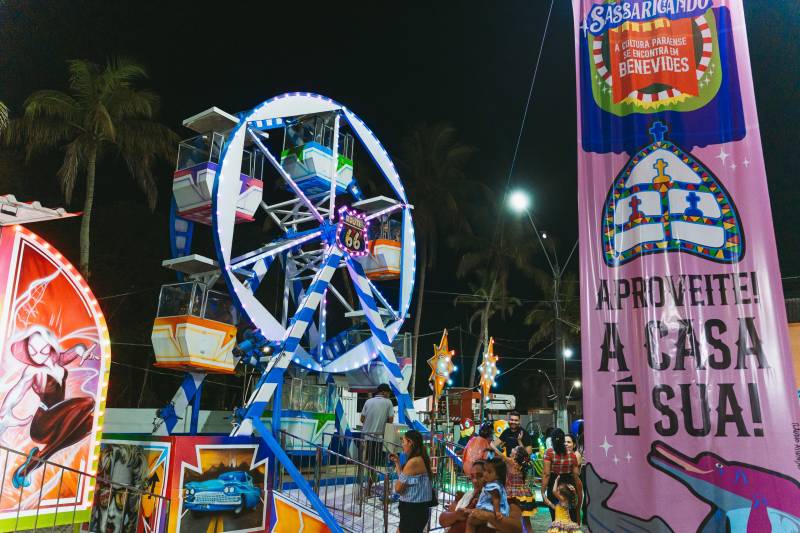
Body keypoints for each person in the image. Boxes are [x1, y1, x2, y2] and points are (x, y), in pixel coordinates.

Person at [390, 430, 433, 533]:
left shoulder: (413, 462)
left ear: (410, 442)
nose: (402, 445)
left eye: (403, 441)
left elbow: (398, 488)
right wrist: (397, 463)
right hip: (415, 511)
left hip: (413, 512)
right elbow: (405, 481)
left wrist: (397, 486)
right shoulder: (419, 459)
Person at [541, 428, 583, 522]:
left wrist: (543, 492)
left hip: (554, 484)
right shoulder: (572, 455)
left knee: (556, 515)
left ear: (552, 440)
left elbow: (546, 474)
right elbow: (576, 473)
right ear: (563, 440)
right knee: (571, 514)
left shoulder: (549, 453)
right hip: (569, 484)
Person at [491, 443, 534, 532]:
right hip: (523, 493)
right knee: (527, 522)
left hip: (512, 493)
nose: (512, 448)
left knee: (511, 519)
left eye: (515, 448)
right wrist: (519, 440)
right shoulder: (522, 463)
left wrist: (492, 445)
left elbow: (499, 454)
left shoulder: (511, 461)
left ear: (516, 454)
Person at [439, 460, 485, 533]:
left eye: (480, 476)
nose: (475, 480)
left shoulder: (491, 501)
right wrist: (456, 515)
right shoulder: (468, 495)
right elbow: (442, 520)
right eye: (472, 476)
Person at [466, 457, 509, 533]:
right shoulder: (494, 485)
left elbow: (496, 499)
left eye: (489, 472)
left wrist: (497, 512)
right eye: (485, 471)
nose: (485, 474)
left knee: (470, 520)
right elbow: (488, 497)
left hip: (492, 511)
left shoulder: (493, 486)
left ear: (498, 476)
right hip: (494, 512)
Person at [360, 383, 394, 466]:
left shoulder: (368, 401)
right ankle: (373, 478)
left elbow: (362, 419)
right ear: (383, 392)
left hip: (366, 436)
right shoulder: (388, 402)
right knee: (376, 462)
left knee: (365, 461)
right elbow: (391, 420)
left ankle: (368, 477)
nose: (389, 394)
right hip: (378, 437)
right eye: (388, 392)